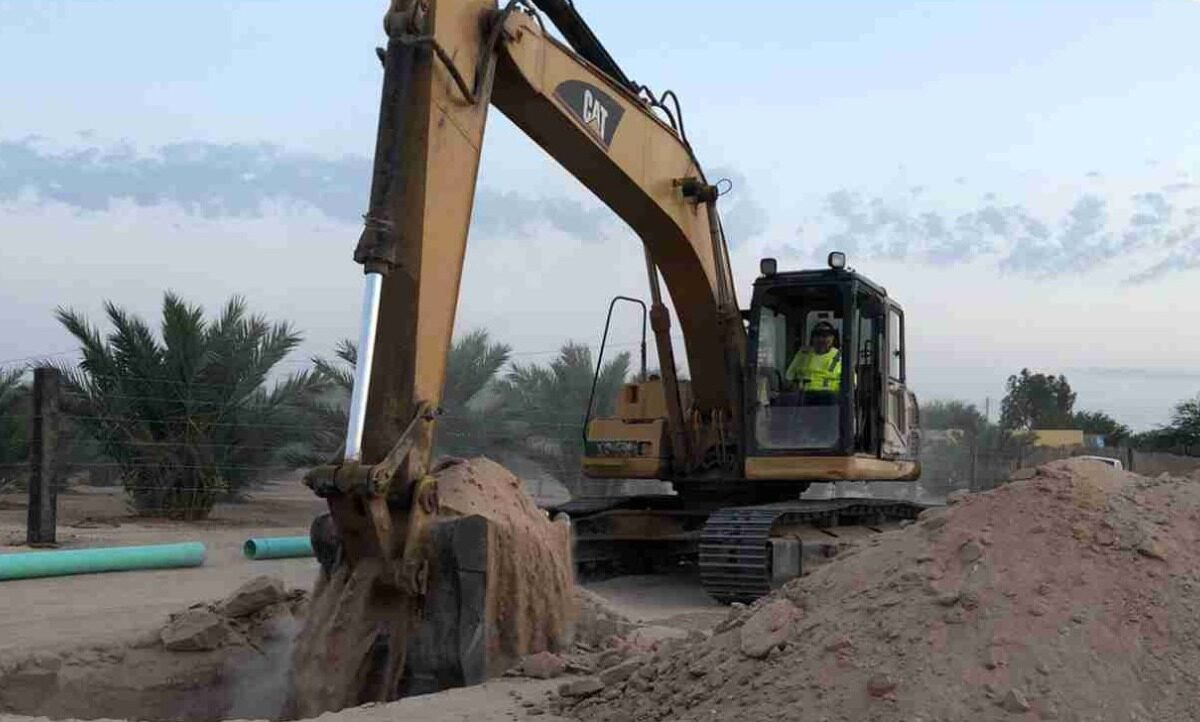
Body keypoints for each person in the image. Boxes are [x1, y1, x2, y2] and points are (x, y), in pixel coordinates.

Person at [785, 321, 842, 392]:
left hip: (830, 396)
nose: (821, 340)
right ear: (812, 338)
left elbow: (850, 384)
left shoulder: (840, 357)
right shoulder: (803, 354)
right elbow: (789, 378)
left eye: (825, 336)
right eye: (817, 336)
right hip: (804, 396)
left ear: (832, 338)